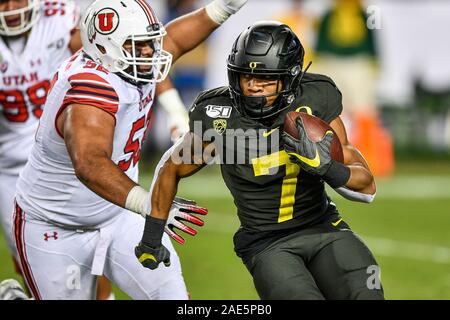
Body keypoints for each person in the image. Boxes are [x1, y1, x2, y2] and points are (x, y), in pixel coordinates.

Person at [12, 0, 247, 300]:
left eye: (149, 43)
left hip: (118, 215)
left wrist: (223, 8)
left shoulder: (130, 64)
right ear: (105, 47)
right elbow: (90, 163)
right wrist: (150, 203)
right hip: (55, 226)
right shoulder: (89, 85)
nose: (150, 53)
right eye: (138, 46)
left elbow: (173, 39)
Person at [146, 21, 385, 300]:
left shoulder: (313, 101)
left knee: (366, 290)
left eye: (265, 79)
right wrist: (151, 237)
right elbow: (170, 166)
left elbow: (367, 188)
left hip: (323, 227)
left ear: (291, 78)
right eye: (246, 77)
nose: (253, 87)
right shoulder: (220, 117)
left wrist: (327, 167)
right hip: (267, 243)